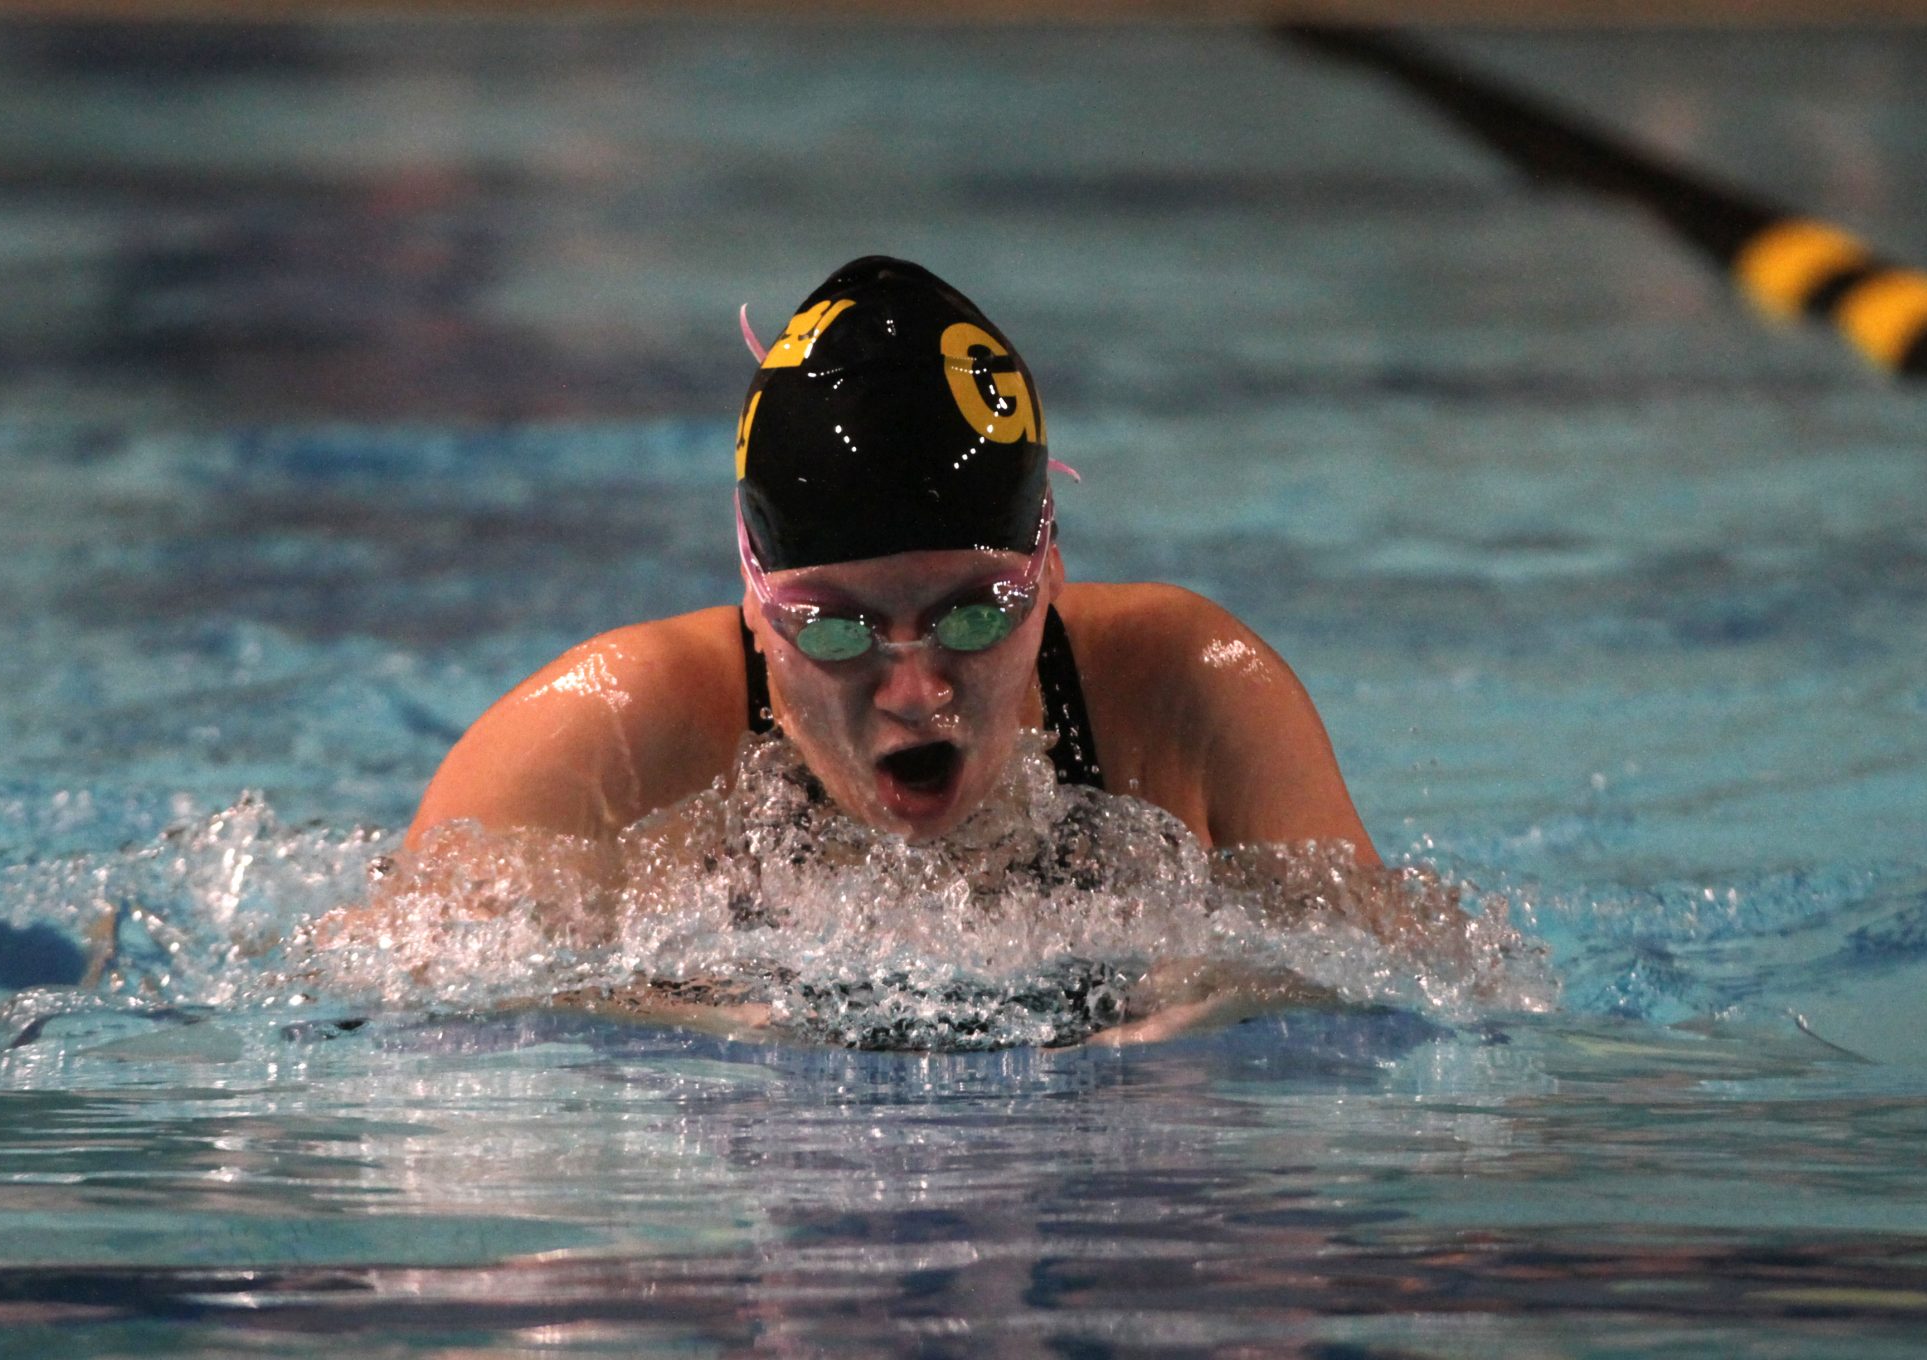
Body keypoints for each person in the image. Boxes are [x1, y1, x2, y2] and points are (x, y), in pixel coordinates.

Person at [402, 255, 1463, 1041]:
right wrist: (683, 1018)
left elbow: (1428, 986)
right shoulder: (602, 737)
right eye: (833, 627)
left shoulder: (1192, 690)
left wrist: (1222, 995)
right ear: (754, 593)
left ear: (1048, 563)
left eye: (974, 612)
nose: (913, 689)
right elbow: (388, 1010)